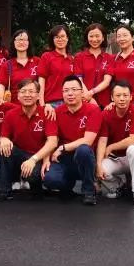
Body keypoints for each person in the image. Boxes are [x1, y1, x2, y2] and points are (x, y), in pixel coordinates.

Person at [0, 78, 58, 201]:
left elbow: (53, 142)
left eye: (31, 91)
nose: (27, 95)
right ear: (18, 96)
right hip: (19, 155)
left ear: (38, 95)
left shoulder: (47, 113)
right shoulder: (11, 114)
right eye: (23, 91)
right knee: (5, 148)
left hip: (38, 157)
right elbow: (2, 138)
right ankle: (4, 191)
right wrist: (3, 140)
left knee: (34, 177)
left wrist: (33, 159)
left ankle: (36, 188)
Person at [43, 75, 102, 205]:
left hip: (84, 158)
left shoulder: (93, 110)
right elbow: (51, 139)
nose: (70, 93)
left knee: (83, 150)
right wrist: (46, 159)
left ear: (82, 92)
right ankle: (67, 187)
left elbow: (88, 141)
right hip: (64, 158)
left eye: (74, 89)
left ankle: (88, 191)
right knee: (50, 179)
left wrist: (63, 147)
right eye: (66, 90)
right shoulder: (56, 112)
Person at [96, 80, 134, 206]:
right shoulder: (106, 113)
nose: (122, 99)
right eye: (118, 95)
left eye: (125, 95)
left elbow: (133, 140)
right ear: (112, 97)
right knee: (101, 168)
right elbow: (102, 140)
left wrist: (111, 147)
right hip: (116, 158)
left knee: (133, 149)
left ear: (131, 97)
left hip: (133, 158)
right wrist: (99, 164)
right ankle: (119, 186)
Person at [74, 23, 114, 107]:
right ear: (87, 37)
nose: (94, 39)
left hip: (105, 103)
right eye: (91, 36)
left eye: (97, 36)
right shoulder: (79, 57)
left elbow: (107, 81)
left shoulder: (109, 58)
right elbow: (79, 80)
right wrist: (89, 98)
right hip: (84, 101)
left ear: (103, 38)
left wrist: (91, 92)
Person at [0, 29, 40, 104]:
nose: (21, 42)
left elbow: (42, 84)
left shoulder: (37, 62)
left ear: (29, 43)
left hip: (34, 106)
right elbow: (2, 85)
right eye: (18, 40)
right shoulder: (7, 64)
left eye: (24, 40)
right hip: (13, 106)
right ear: (13, 43)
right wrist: (0, 99)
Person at [38, 24, 75, 108]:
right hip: (51, 103)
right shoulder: (46, 56)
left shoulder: (72, 59)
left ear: (67, 38)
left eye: (62, 36)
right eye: (57, 37)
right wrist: (41, 103)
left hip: (70, 102)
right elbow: (41, 80)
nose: (60, 39)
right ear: (53, 40)